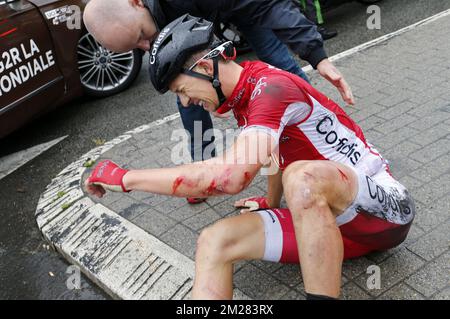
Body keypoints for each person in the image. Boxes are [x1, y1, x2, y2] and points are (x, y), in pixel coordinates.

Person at [85, 15, 415, 300]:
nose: (185, 104)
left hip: (384, 213)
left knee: (301, 179)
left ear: (203, 67)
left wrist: (126, 178)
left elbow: (229, 178)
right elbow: (277, 152)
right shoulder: (246, 92)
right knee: (213, 242)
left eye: (182, 91)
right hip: (330, 230)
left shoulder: (270, 88)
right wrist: (272, 201)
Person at [83, 0, 355, 204]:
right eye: (137, 48)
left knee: (274, 55)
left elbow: (231, 178)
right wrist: (271, 204)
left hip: (242, 6)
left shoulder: (267, 93)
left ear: (136, 2)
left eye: (142, 35)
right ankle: (203, 160)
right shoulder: (250, 97)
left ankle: (322, 123)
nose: (147, 46)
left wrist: (317, 55)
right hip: (212, 38)